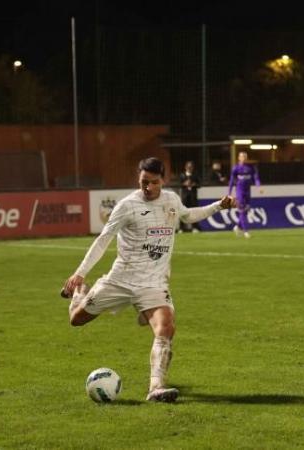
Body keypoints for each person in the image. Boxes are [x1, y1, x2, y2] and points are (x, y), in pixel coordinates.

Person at [62, 157, 235, 402]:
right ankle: (80, 294)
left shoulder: (172, 200)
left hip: (153, 284)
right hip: (121, 280)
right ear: (139, 179)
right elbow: (103, 239)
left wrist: (219, 206)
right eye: (144, 182)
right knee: (76, 320)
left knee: (166, 327)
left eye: (154, 182)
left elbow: (188, 216)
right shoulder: (127, 206)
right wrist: (80, 273)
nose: (148, 188)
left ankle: (156, 387)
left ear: (163, 180)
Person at [228, 151, 261, 238]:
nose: (244, 158)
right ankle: (246, 231)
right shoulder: (236, 168)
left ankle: (237, 226)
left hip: (248, 191)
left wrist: (258, 186)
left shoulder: (250, 167)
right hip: (239, 191)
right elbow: (231, 180)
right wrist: (229, 192)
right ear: (239, 158)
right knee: (242, 210)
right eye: (242, 156)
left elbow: (256, 177)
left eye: (245, 157)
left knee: (246, 210)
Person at [178, 161, 202, 233]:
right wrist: (184, 184)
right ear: (185, 167)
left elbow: (199, 184)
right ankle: (181, 228)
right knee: (183, 212)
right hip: (185, 197)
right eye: (188, 167)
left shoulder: (195, 175)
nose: (189, 168)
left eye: (191, 167)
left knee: (194, 212)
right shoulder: (182, 175)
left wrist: (194, 184)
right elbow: (179, 184)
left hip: (193, 197)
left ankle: (195, 227)